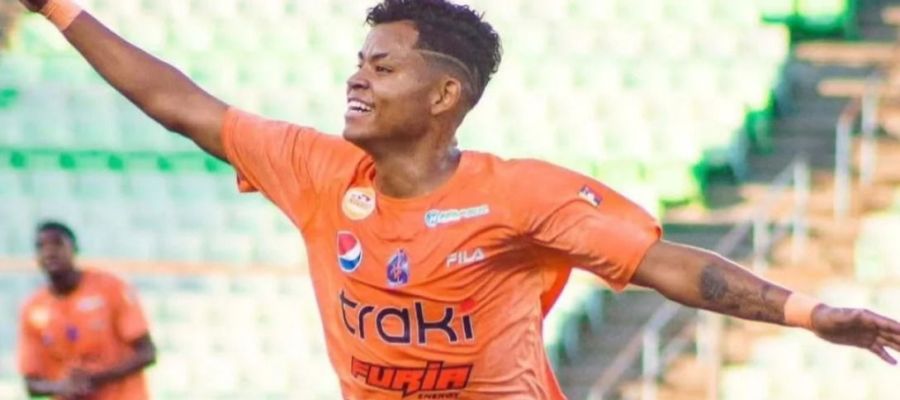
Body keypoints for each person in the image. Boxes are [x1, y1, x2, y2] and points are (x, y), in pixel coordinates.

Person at [15, 0, 900, 398]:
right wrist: (57, 8)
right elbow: (179, 104)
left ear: (444, 95)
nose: (357, 80)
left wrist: (809, 313)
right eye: (358, 63)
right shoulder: (315, 169)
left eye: (383, 67)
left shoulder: (517, 196)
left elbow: (668, 267)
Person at [17, 221, 156, 400]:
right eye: (41, 247)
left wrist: (96, 378)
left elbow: (147, 353)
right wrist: (61, 387)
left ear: (75, 249)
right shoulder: (33, 309)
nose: (49, 252)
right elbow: (31, 383)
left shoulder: (111, 288)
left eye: (57, 244)